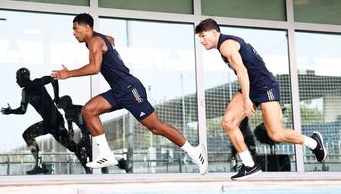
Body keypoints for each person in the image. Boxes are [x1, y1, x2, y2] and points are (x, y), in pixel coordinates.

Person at [51, 13, 207, 174]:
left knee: (156, 127)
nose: (73, 33)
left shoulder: (94, 41)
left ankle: (195, 152)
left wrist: (69, 74)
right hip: (118, 91)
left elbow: (95, 68)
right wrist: (108, 48)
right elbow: (110, 39)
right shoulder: (98, 40)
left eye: (76, 29)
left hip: (130, 89)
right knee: (88, 110)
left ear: (87, 27)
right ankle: (106, 154)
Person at [195, 18, 327, 180]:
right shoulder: (225, 46)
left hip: (265, 87)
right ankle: (249, 165)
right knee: (228, 122)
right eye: (199, 38)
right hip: (251, 86)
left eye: (203, 36)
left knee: (275, 134)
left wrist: (245, 99)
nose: (201, 41)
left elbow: (242, 72)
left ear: (214, 32)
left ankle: (313, 143)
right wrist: (246, 96)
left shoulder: (226, 46)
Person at [1, 68, 91, 174]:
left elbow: (53, 78)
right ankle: (39, 165)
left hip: (55, 121)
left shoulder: (37, 83)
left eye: (17, 78)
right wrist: (10, 111)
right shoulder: (25, 92)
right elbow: (22, 110)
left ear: (22, 78)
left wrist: (56, 97)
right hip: (49, 123)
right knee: (28, 135)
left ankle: (88, 167)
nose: (16, 81)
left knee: (71, 146)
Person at [59, 95, 131, 173]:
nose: (62, 107)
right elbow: (72, 128)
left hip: (89, 132)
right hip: (88, 132)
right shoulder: (77, 109)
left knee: (89, 152)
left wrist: (72, 136)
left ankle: (118, 163)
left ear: (67, 103)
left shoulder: (71, 112)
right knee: (91, 152)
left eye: (62, 104)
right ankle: (117, 164)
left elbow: (73, 127)